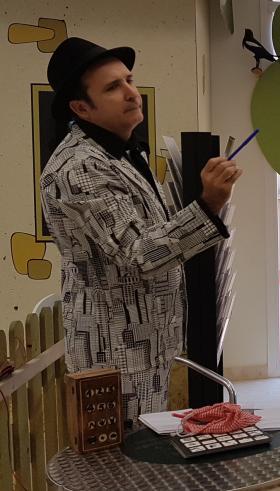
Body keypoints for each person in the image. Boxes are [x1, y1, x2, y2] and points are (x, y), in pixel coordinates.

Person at [41, 37, 241, 424]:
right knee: (124, 466)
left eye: (129, 80)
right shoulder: (80, 167)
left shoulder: (122, 152)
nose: (132, 93)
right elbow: (140, 255)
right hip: (114, 350)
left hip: (143, 341)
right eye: (113, 87)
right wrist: (209, 204)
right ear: (81, 108)